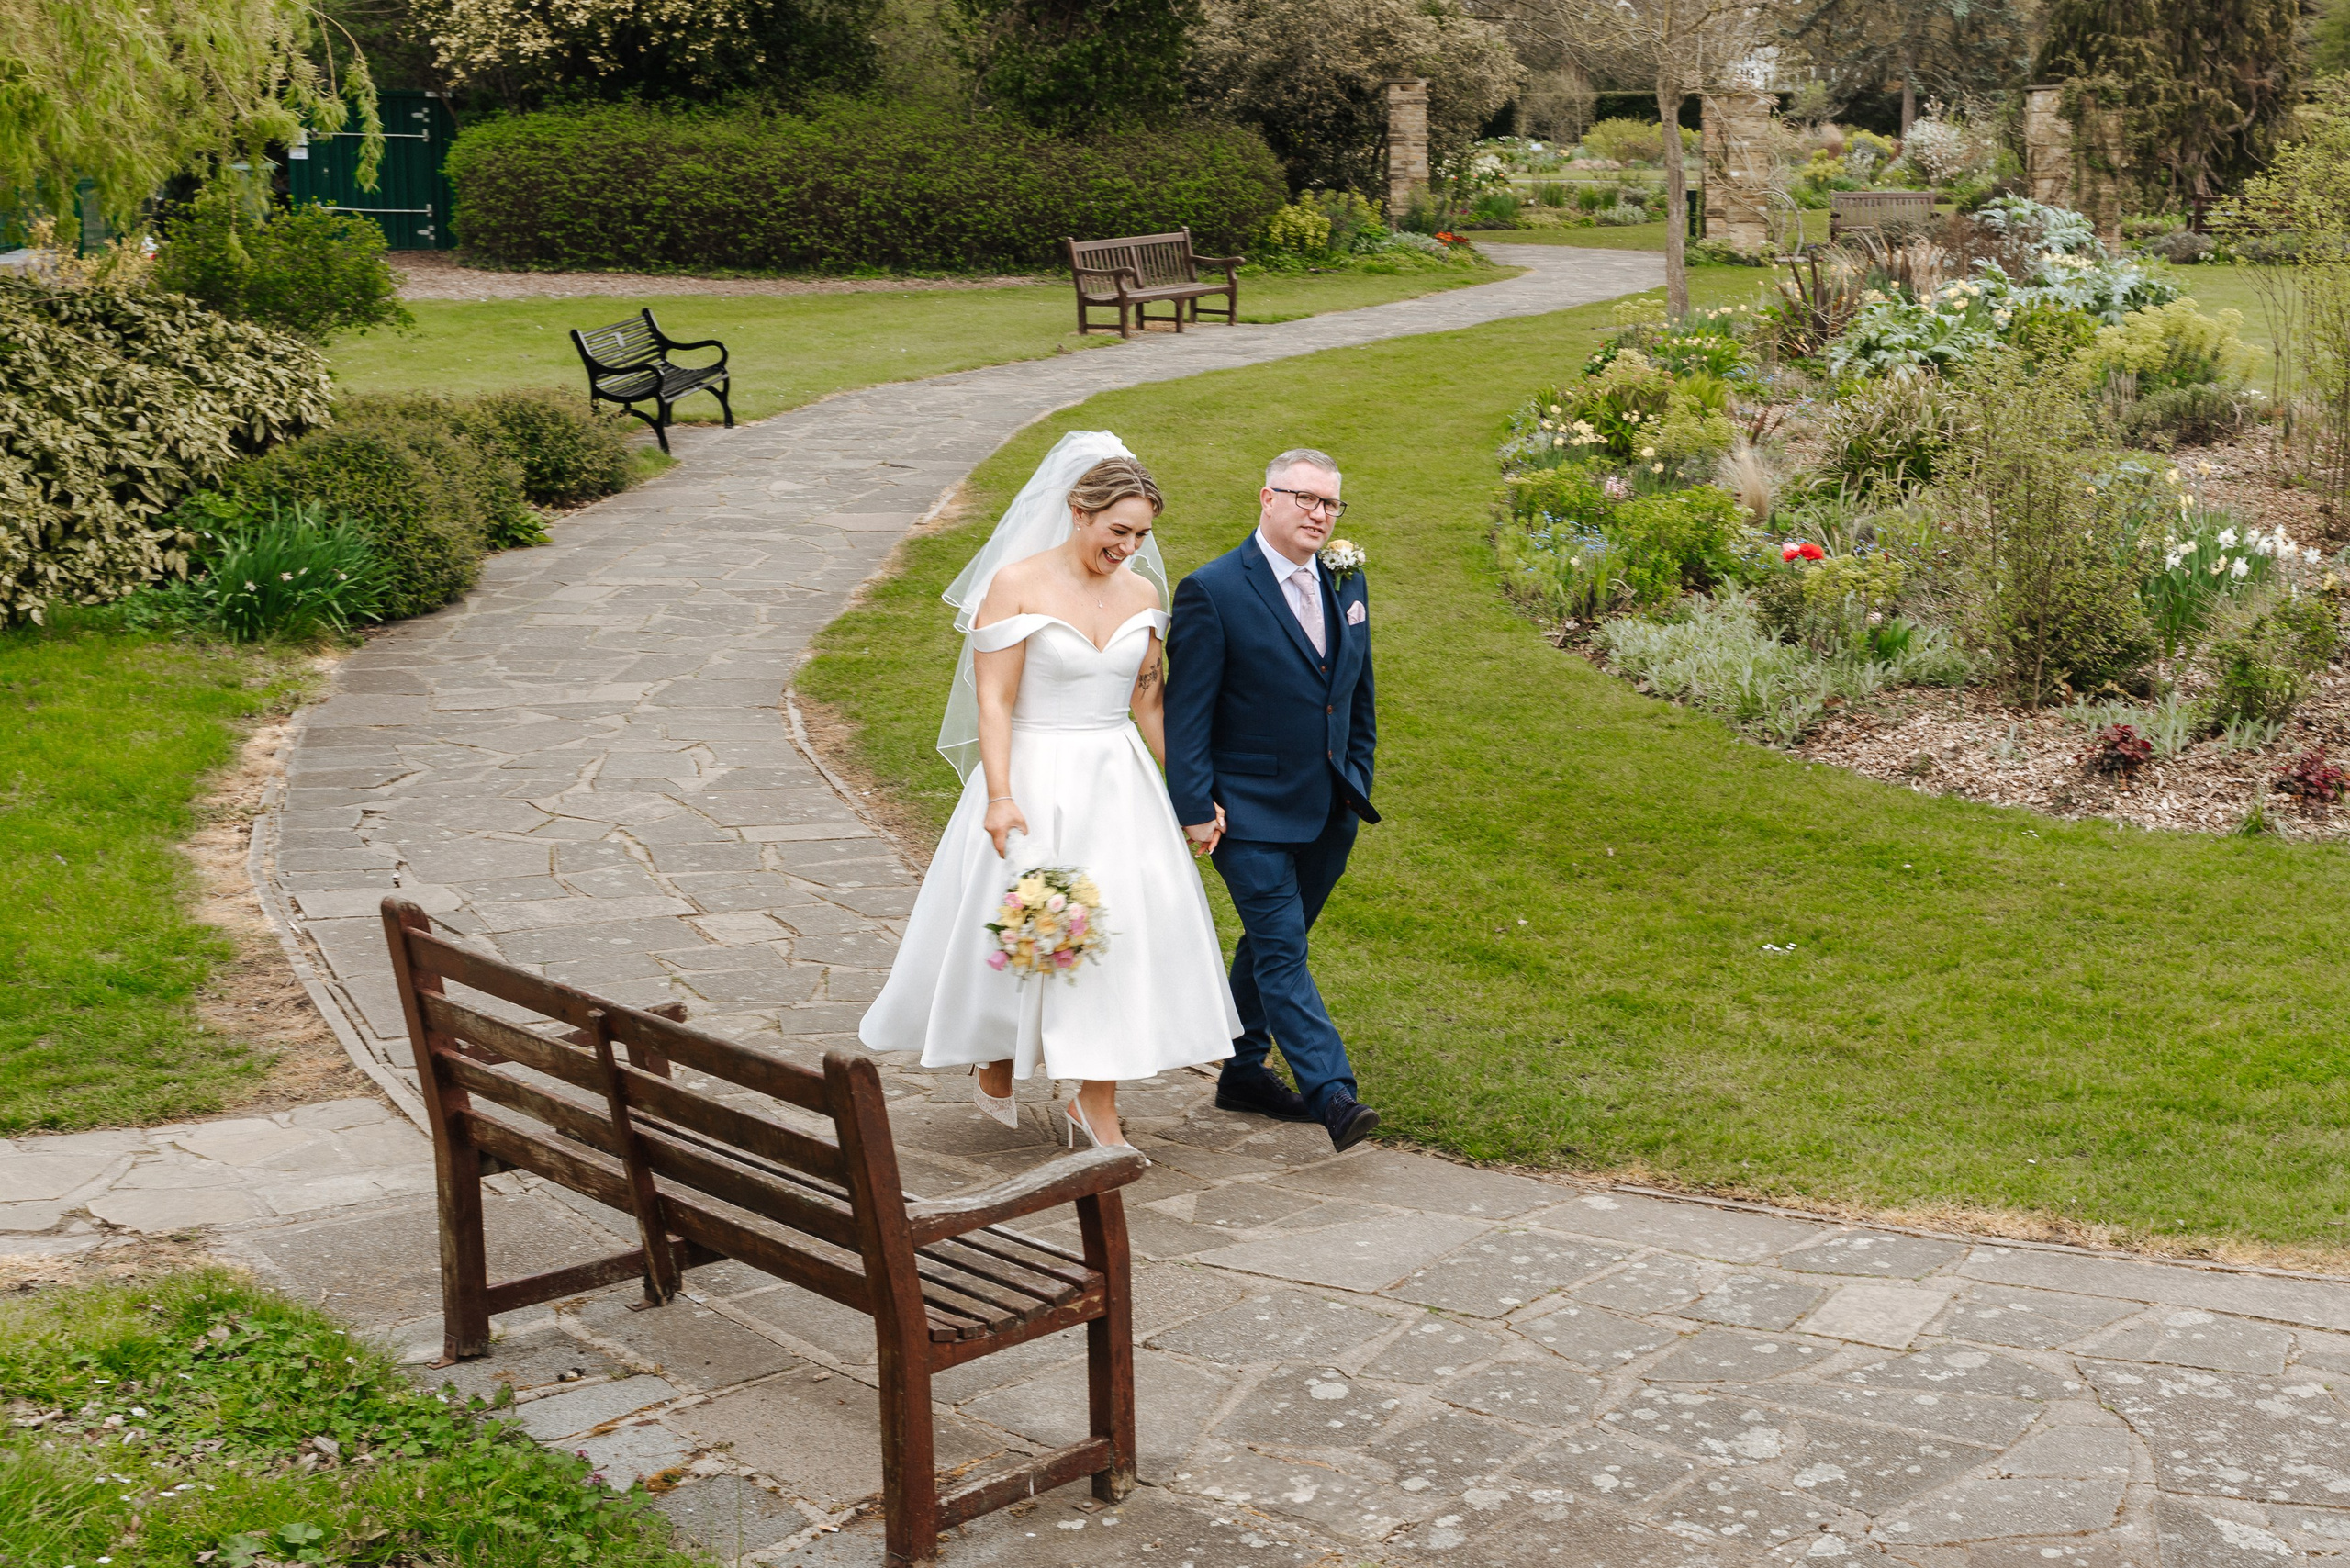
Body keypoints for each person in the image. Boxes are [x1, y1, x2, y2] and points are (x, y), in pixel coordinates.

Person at [858, 431, 1238, 1150]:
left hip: (1117, 782)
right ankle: (998, 1052)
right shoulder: (1016, 584)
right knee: (1026, 928)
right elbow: (994, 702)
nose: (1128, 547)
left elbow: (1149, 703)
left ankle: (1093, 1102)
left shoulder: (1143, 593)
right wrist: (1000, 796)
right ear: (1078, 512)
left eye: (1142, 534)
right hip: (1032, 773)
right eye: (1117, 531)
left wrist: (1194, 793)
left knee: (1120, 934)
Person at [1164, 448, 1382, 1154]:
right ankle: (1333, 1092)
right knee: (1283, 947)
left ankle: (1244, 1070)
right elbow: (1187, 714)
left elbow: (1358, 690)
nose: (1320, 514)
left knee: (1271, 943)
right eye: (1306, 499)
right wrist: (1195, 805)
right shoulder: (1214, 590)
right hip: (1246, 811)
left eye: (1331, 504)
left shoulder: (1347, 579)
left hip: (1329, 806)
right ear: (1267, 497)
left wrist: (1358, 775)